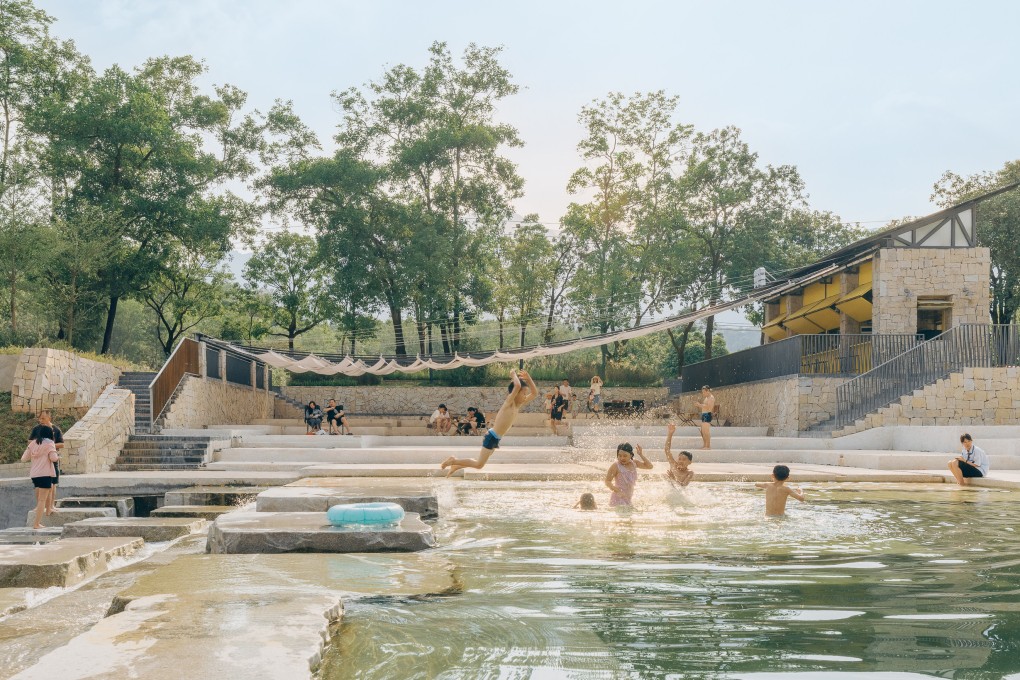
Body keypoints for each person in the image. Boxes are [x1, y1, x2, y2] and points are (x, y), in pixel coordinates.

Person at [441, 369, 539, 475]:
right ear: (515, 394)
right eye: (524, 393)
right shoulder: (509, 403)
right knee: (479, 464)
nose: (525, 396)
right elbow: (517, 386)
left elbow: (534, 393)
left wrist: (528, 378)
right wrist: (513, 375)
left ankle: (457, 465)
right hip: (492, 437)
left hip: (496, 438)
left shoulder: (518, 405)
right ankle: (453, 460)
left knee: (479, 461)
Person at [21, 425, 58, 529]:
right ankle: (36, 524)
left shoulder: (33, 443)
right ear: (49, 433)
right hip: (45, 473)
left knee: (49, 489)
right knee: (42, 500)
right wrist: (57, 456)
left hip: (35, 474)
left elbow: (23, 458)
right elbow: (53, 458)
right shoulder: (50, 443)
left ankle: (48, 511)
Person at [29, 410, 63, 515]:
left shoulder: (56, 430)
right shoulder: (36, 429)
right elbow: (30, 442)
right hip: (39, 461)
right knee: (38, 484)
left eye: (43, 418)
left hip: (52, 459)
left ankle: (51, 506)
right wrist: (43, 444)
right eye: (40, 418)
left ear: (49, 418)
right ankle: (39, 505)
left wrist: (49, 445)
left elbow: (61, 444)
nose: (41, 420)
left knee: (53, 483)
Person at [604, 442, 654, 507]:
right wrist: (617, 490)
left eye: (625, 456)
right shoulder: (616, 466)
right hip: (618, 498)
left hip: (628, 498)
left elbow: (650, 466)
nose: (622, 458)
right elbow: (607, 481)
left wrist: (641, 455)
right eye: (619, 455)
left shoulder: (634, 463)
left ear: (630, 455)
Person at [662, 423, 694, 487]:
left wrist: (673, 478)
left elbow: (683, 486)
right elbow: (667, 450)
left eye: (684, 459)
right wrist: (670, 434)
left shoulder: (689, 473)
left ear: (690, 462)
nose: (681, 461)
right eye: (679, 459)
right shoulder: (673, 465)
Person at [696, 385, 715, 450]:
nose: (703, 393)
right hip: (704, 414)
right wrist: (700, 405)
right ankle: (705, 445)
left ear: (708, 391)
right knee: (703, 431)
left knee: (706, 431)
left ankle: (708, 446)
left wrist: (699, 405)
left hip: (707, 414)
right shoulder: (707, 398)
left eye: (704, 392)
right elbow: (705, 406)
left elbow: (709, 408)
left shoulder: (711, 398)